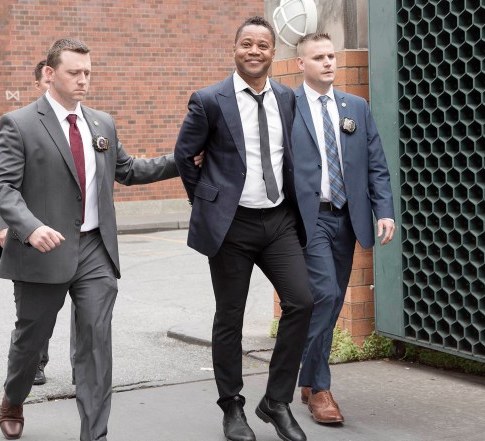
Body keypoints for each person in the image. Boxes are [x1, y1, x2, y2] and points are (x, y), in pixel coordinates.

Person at [0, 37, 180, 441]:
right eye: (74, 72)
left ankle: (94, 435)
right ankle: (13, 397)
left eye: (87, 73)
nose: (82, 81)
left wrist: (183, 159)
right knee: (31, 338)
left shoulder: (101, 124)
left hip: (95, 250)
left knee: (95, 343)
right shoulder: (20, 123)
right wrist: (30, 226)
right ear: (49, 73)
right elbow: (3, 186)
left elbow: (128, 170)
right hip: (44, 250)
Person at [174, 16, 313, 441]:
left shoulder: (287, 98)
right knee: (229, 318)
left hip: (277, 220)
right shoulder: (210, 100)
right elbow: (185, 155)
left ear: (274, 52)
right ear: (235, 49)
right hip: (231, 226)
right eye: (246, 44)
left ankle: (275, 401)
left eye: (263, 46)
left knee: (303, 302)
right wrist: (208, 201)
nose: (254, 51)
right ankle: (232, 406)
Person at [292, 32, 395, 424]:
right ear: (301, 64)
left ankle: (306, 370)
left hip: (347, 217)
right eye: (319, 57)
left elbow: (376, 165)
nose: (329, 62)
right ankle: (320, 389)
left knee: (332, 301)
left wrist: (383, 210)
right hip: (309, 217)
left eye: (332, 55)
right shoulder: (288, 105)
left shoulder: (357, 107)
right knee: (326, 292)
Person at [0, 59, 64, 387]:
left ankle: (86, 371)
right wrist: (7, 226)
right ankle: (33, 364)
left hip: (71, 238)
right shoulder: (22, 123)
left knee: (89, 313)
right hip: (31, 238)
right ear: (42, 82)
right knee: (35, 317)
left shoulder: (72, 124)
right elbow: (4, 185)